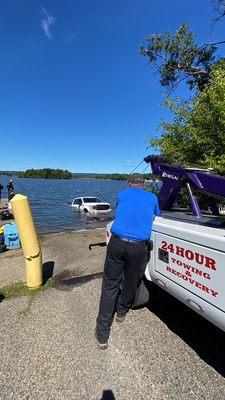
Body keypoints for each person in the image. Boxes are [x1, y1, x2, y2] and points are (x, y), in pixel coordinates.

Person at [95, 173, 160, 349]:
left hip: (117, 243)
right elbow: (156, 216)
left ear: (130, 183)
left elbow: (122, 210)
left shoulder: (122, 194)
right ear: (144, 183)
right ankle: (121, 312)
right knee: (132, 281)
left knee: (110, 285)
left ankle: (102, 334)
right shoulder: (153, 197)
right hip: (138, 247)